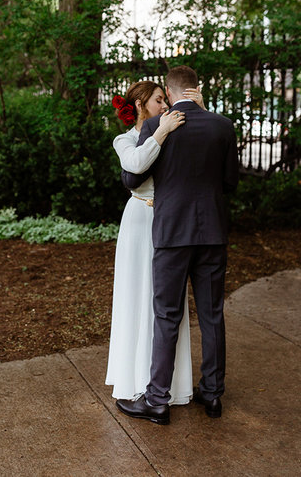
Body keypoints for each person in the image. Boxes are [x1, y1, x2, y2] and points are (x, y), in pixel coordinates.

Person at [115, 65, 239, 426]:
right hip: (212, 232)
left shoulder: (156, 126)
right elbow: (230, 182)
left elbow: (132, 177)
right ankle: (213, 395)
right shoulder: (223, 126)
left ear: (169, 94)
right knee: (212, 314)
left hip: (171, 234)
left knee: (167, 315)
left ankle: (157, 401)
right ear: (197, 90)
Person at [105, 80, 204, 406]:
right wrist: (159, 133)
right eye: (159, 100)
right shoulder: (126, 139)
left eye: (166, 99)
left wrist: (200, 111)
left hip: (170, 221)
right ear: (140, 105)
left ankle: (167, 386)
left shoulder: (176, 133)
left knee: (165, 303)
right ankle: (135, 379)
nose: (165, 106)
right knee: (137, 295)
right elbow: (134, 166)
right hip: (138, 222)